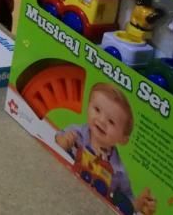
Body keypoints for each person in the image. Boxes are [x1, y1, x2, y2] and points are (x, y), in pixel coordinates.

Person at [55, 84, 156, 215]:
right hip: (67, 185)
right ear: (88, 105)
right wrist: (63, 142)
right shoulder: (76, 133)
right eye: (97, 109)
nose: (101, 120)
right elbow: (56, 138)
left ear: (123, 139)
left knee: (122, 201)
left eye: (111, 122)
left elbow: (127, 195)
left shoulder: (119, 170)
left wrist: (135, 205)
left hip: (95, 205)